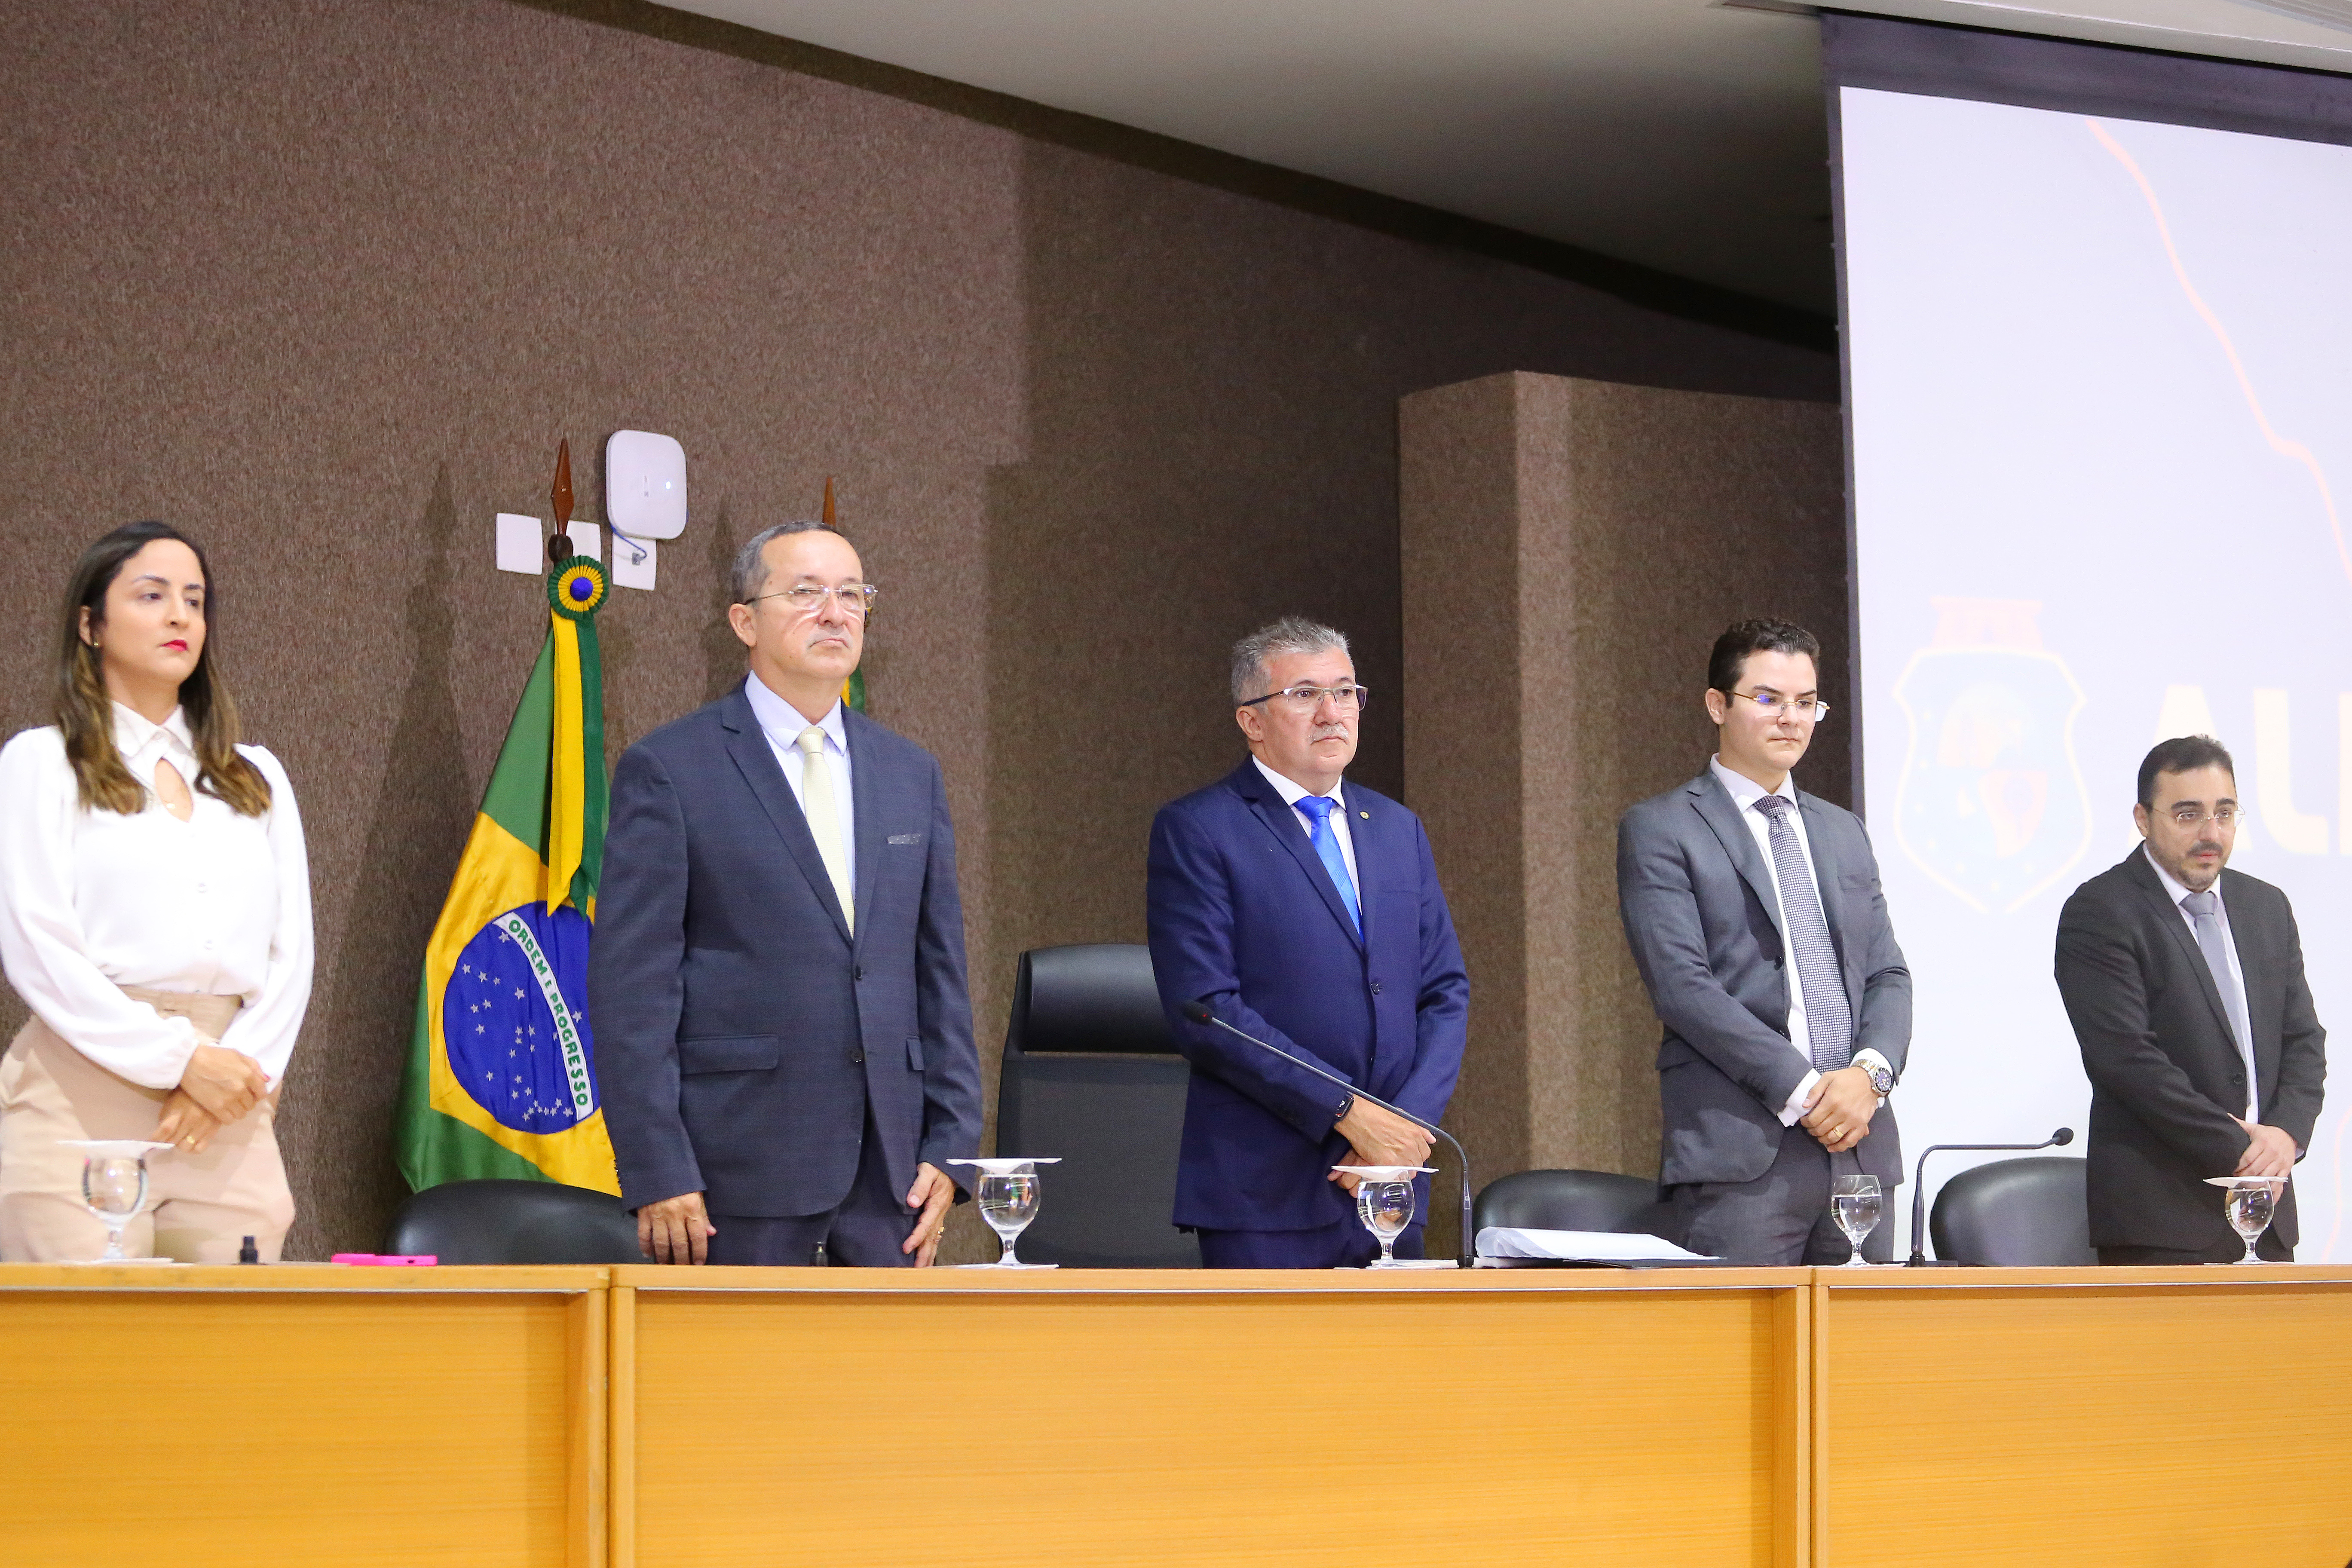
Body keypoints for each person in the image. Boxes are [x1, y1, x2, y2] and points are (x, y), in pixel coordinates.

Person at [592, 521, 983, 1266]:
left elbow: (940, 972)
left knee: (880, 1384)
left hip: (892, 1175)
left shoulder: (910, 772)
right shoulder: (671, 769)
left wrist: (953, 1142)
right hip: (733, 1172)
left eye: (851, 593)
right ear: (744, 621)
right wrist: (657, 1166)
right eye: (805, 592)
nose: (834, 611)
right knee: (741, 1384)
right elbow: (631, 989)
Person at [0, 522, 312, 1262]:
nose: (180, 616)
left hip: (229, 1096)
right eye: (152, 595)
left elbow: (291, 957)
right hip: (84, 1087)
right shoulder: (43, 762)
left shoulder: (256, 775)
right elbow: (39, 947)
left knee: (229, 1358)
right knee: (90, 1358)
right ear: (91, 624)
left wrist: (232, 1078)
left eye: (195, 600)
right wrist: (179, 1061)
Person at [1146, 616, 1468, 1268]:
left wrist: (1404, 1130)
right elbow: (1206, 1009)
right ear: (1251, 721)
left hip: (1389, 1188)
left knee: (1396, 1374)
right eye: (1304, 694)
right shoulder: (1200, 829)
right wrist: (1350, 1113)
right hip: (1267, 1192)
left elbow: (1444, 992)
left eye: (1346, 692)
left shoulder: (1397, 828)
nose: (1332, 712)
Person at [1616, 619, 1910, 1265]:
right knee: (1739, 1363)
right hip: (1745, 1157)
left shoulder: (1844, 831)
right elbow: (1683, 988)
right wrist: (1809, 1092)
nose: (1792, 720)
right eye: (1769, 699)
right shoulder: (1662, 827)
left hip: (1860, 1149)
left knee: (1866, 1362)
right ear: (1718, 705)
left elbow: (1888, 975)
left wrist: (1870, 1076)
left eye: (1807, 703)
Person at [2054, 736, 2326, 1265]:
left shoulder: (2266, 906)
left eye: (2225, 814)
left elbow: (2303, 1041)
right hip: (2162, 1221)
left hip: (2266, 1219)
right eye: (2188, 815)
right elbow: (2128, 1061)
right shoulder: (2102, 911)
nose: (2211, 834)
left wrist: (2287, 1136)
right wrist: (2245, 1152)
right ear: (2142, 818)